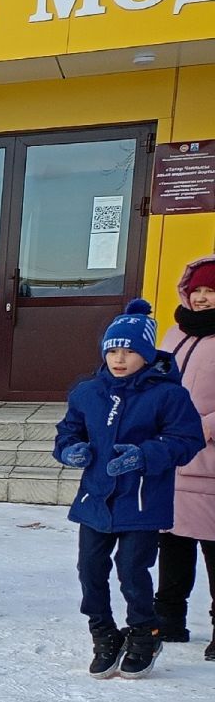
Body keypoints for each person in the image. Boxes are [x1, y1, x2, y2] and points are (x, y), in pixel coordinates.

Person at [53, 299, 206, 680]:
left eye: (130, 351)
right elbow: (68, 430)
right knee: (90, 570)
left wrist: (145, 455)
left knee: (132, 571)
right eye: (113, 350)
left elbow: (186, 440)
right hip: (95, 500)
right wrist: (70, 449)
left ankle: (144, 632)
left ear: (147, 354)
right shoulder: (88, 392)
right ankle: (103, 632)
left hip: (142, 501)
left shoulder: (168, 394)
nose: (120, 359)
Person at [156, 254, 215, 658]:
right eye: (197, 291)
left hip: (210, 463)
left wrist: (199, 428)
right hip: (171, 462)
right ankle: (169, 620)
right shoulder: (172, 334)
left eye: (211, 292)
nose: (203, 299)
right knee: (173, 545)